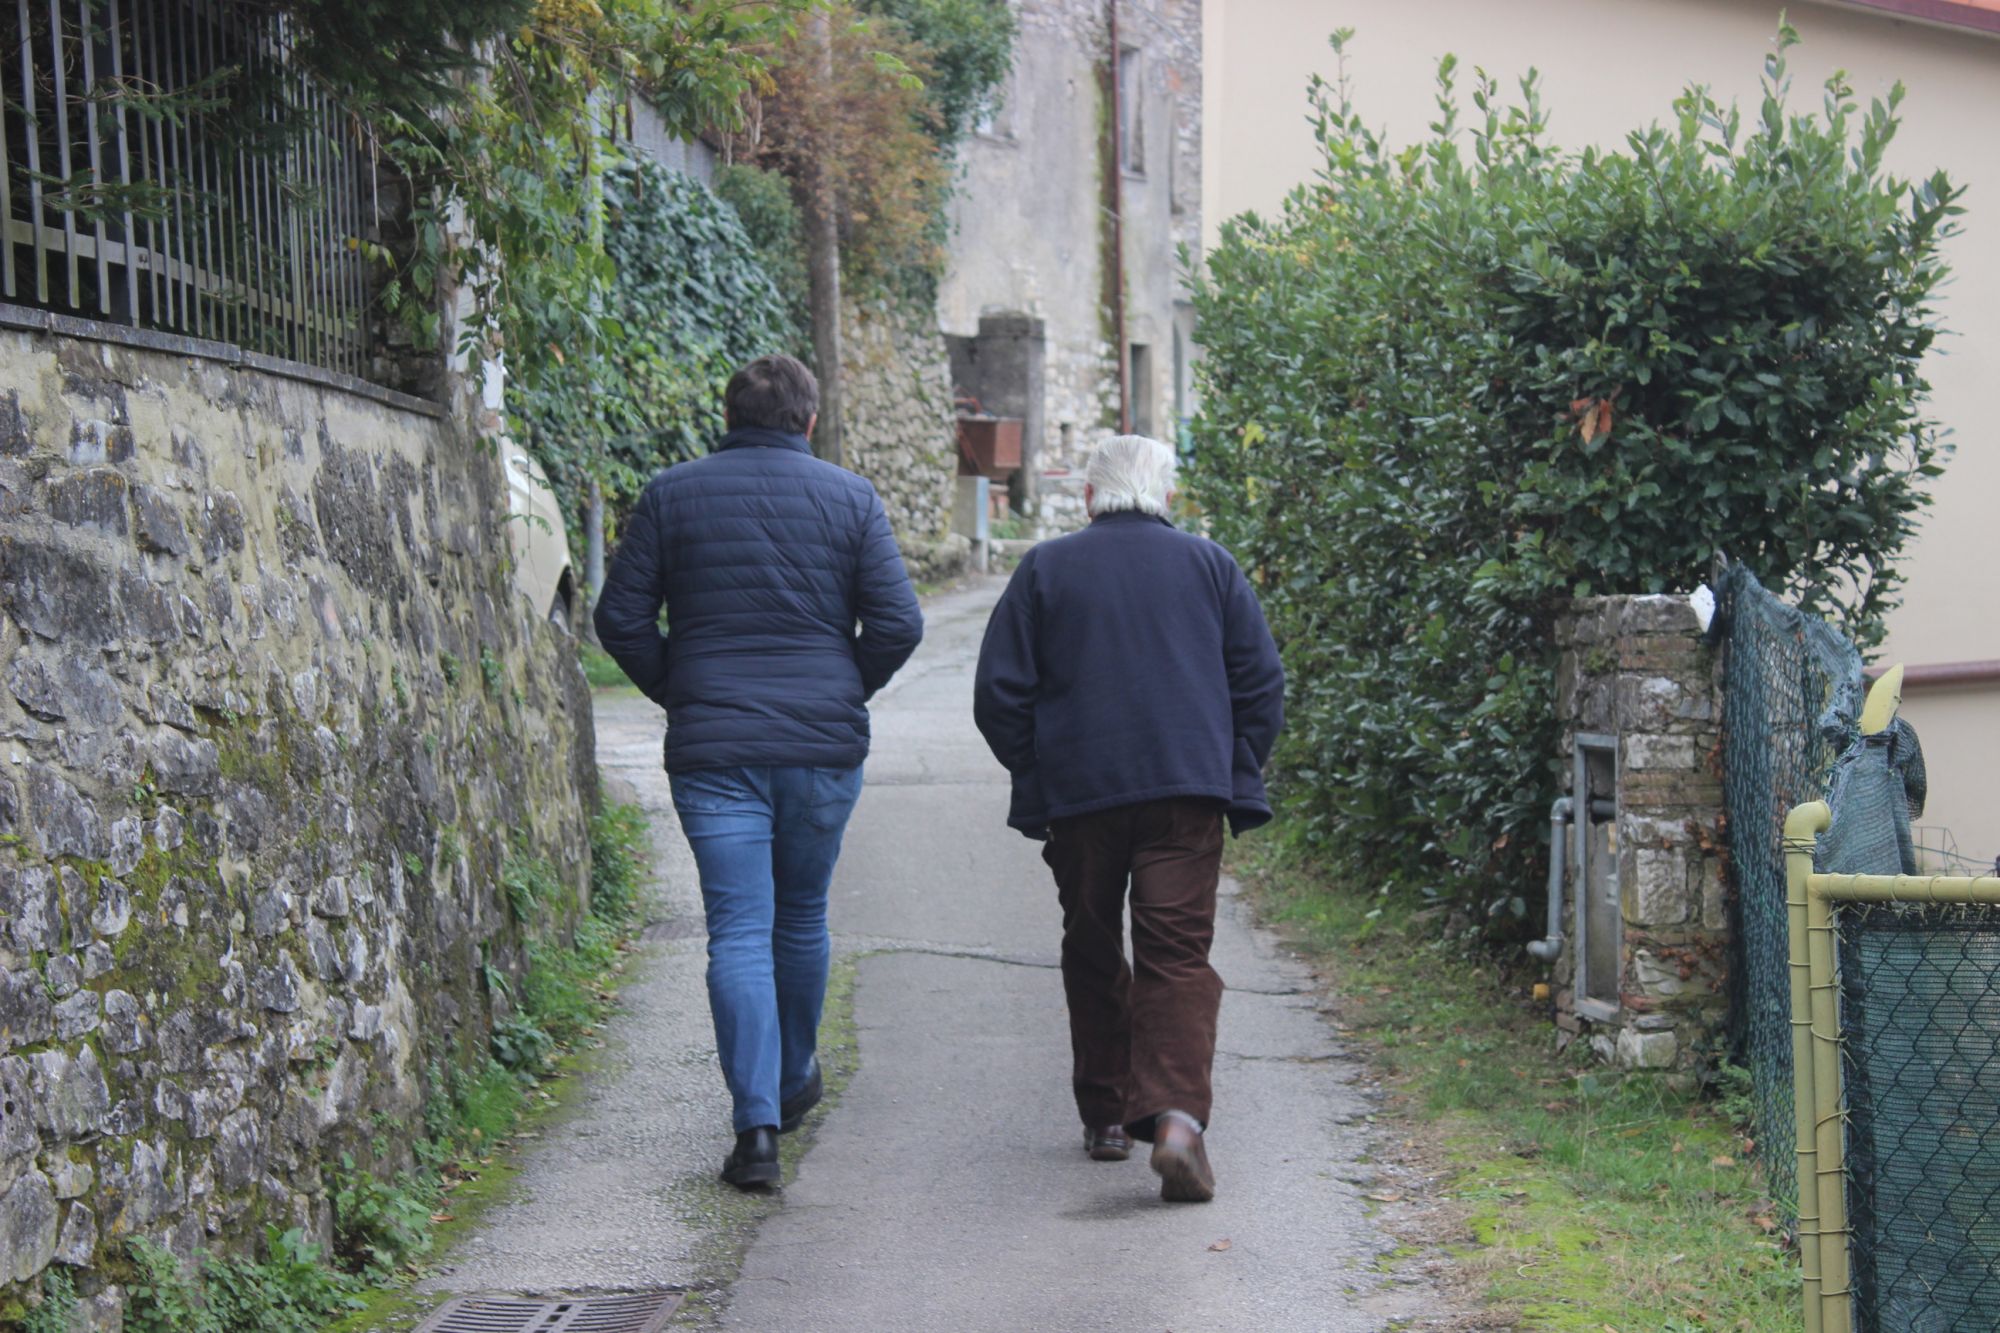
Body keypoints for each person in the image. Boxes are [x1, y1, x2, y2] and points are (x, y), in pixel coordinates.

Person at [595, 354, 923, 1190]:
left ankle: (757, 1132)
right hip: (820, 748)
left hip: (716, 753)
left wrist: (682, 687)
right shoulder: (852, 498)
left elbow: (619, 617)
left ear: (730, 416)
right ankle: (794, 1073)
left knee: (738, 929)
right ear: (810, 422)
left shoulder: (672, 493)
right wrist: (844, 684)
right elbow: (898, 621)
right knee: (801, 915)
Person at [972, 434, 1284, 1203]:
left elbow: (998, 694)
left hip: (1081, 797)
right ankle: (1177, 1119)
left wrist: (1038, 770)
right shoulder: (1210, 566)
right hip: (1185, 791)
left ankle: (1109, 1115)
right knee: (1176, 952)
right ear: (1167, 495)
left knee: (1091, 940)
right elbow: (1261, 682)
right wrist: (1231, 762)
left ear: (1088, 496)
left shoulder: (1047, 567)